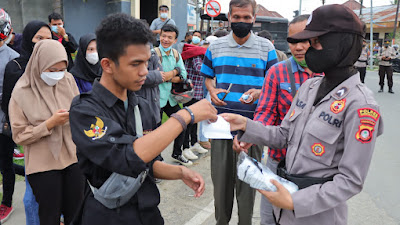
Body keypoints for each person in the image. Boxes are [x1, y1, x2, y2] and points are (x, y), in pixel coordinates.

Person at [222, 4, 383, 225]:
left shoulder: (361, 106)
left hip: (317, 214)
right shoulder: (310, 87)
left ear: (339, 42)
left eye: (315, 42)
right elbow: (284, 135)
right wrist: (246, 126)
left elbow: (351, 181)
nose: (306, 48)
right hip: (283, 201)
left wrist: (295, 201)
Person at [68, 13, 217, 225]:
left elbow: (148, 162)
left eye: (147, 63)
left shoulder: (143, 106)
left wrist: (179, 172)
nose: (144, 72)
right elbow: (126, 157)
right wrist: (186, 115)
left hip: (147, 212)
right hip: (106, 215)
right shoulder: (85, 110)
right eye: (135, 63)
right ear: (108, 65)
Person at [200, 0, 278, 224]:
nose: (242, 22)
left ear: (254, 18)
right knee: (221, 187)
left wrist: (259, 91)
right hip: (220, 124)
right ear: (229, 17)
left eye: (246, 18)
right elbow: (207, 76)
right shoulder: (215, 47)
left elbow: (272, 85)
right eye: (237, 17)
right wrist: (212, 90)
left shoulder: (266, 47)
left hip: (252, 127)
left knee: (248, 187)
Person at [253, 14, 324, 225]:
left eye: (303, 40)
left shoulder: (329, 74)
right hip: (279, 160)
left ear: (317, 40)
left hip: (315, 167)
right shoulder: (277, 72)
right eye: (292, 41)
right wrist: (254, 132)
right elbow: (265, 111)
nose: (298, 47)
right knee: (269, 218)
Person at [9, 39, 85, 225]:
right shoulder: (21, 92)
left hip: (72, 157)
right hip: (43, 164)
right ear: (39, 64)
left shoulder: (67, 80)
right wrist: (49, 124)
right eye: (52, 70)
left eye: (62, 69)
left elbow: (79, 108)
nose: (58, 75)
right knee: (49, 216)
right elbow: (19, 135)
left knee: (76, 212)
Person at [3, 20, 52, 225]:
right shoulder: (16, 67)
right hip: (33, 137)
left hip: (57, 134)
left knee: (56, 188)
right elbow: (8, 104)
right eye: (39, 38)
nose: (44, 44)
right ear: (29, 39)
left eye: (48, 39)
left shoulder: (55, 65)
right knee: (33, 194)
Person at [154, 24, 193, 166]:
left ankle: (177, 152)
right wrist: (174, 72)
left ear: (175, 40)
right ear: (159, 36)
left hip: (171, 99)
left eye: (169, 37)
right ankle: (157, 162)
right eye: (163, 36)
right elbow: (156, 76)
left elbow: (183, 75)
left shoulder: (176, 54)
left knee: (182, 122)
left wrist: (170, 75)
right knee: (155, 133)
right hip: (156, 99)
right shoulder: (154, 53)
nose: (165, 39)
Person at [0, 8, 21, 223]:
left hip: (5, 120)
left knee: (5, 163)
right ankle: (24, 171)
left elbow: (15, 96)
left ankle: (6, 203)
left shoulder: (13, 59)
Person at [181, 43, 209, 160]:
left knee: (195, 120)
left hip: (197, 93)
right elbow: (200, 70)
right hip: (191, 94)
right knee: (189, 121)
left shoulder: (198, 54)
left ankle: (194, 143)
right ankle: (186, 147)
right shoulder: (197, 55)